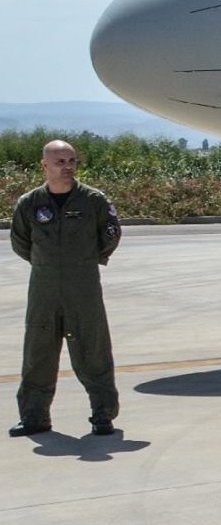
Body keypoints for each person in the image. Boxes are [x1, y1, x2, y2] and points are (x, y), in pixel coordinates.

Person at [10, 140, 121, 438]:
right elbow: (21, 242)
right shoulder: (30, 203)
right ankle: (34, 417)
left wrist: (83, 262)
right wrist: (46, 264)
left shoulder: (93, 200)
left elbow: (110, 234)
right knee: (38, 352)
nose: (67, 166)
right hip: (43, 287)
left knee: (92, 350)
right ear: (44, 165)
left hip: (83, 286)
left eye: (71, 160)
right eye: (60, 161)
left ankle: (102, 415)